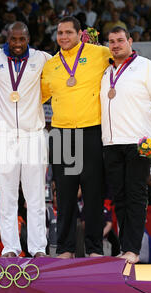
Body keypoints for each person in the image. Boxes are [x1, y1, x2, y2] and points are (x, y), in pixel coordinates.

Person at [100, 26, 151, 264]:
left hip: (139, 142)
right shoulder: (105, 72)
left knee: (135, 195)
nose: (115, 45)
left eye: (120, 40)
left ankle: (132, 249)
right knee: (120, 197)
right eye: (111, 41)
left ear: (130, 41)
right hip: (111, 142)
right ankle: (126, 248)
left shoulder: (147, 67)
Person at [41, 16, 112, 259]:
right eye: (60, 33)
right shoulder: (51, 65)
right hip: (61, 134)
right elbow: (36, 97)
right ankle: (65, 249)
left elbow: (124, 66)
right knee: (66, 194)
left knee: (93, 194)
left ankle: (94, 250)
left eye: (69, 32)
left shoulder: (100, 54)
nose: (63, 37)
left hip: (92, 130)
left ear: (80, 34)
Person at [0, 21, 51, 258]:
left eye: (22, 39)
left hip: (33, 135)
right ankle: (10, 247)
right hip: (3, 135)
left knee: (36, 196)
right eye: (13, 39)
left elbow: (67, 68)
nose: (18, 44)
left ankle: (38, 247)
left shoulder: (42, 58)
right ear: (7, 37)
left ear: (28, 37)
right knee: (7, 194)